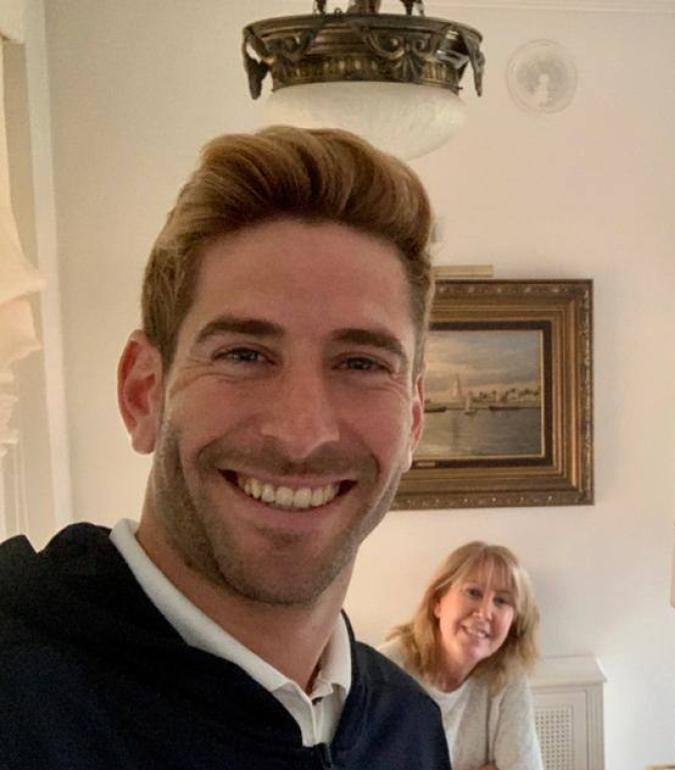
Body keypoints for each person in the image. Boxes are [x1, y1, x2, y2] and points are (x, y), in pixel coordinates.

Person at [0, 126, 451, 769]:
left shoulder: (409, 729)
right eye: (244, 354)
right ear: (143, 393)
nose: (302, 434)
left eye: (360, 363)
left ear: (412, 421)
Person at [382, 541, 542, 770]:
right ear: (438, 602)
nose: (485, 612)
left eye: (501, 601)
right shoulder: (386, 671)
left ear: (514, 622)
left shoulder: (508, 676)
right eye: (473, 592)